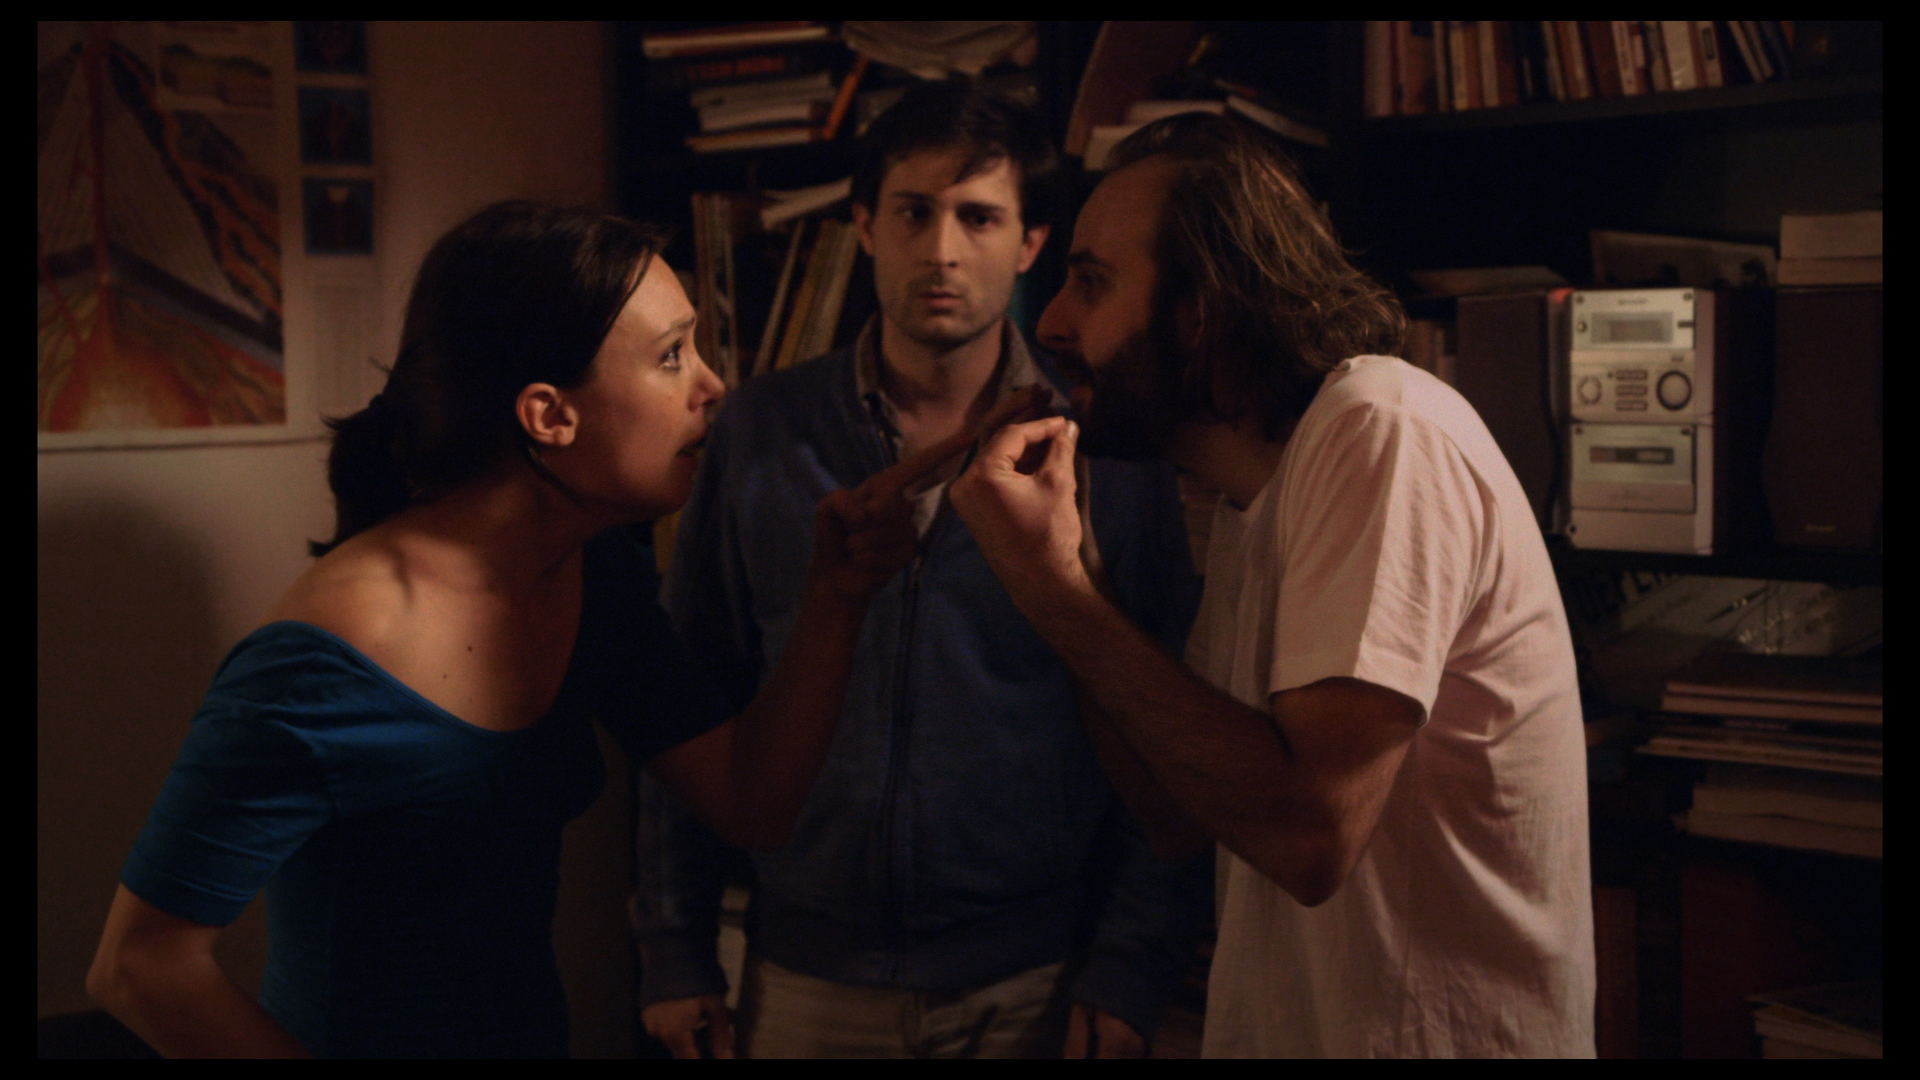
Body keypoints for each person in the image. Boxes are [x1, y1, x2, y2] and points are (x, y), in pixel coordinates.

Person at [86, 200, 986, 1058]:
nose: (713, 386)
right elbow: (140, 968)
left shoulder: (594, 575)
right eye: (672, 356)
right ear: (550, 414)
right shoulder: (328, 658)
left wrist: (838, 594)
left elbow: (754, 803)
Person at [948, 113, 1596, 1057]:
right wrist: (1071, 568)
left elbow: (1308, 836)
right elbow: (1177, 813)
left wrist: (1056, 593)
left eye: (1091, 282)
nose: (1048, 324)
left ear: (1203, 310)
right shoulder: (1253, 497)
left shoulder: (1380, 429)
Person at [637, 83, 1208, 1059]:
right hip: (804, 967)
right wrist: (672, 948)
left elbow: (1161, 705)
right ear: (865, 226)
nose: (942, 250)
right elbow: (692, 694)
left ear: (1030, 244)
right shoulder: (763, 430)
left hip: (1033, 974)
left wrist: (1131, 963)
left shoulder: (1098, 444)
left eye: (978, 218)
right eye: (913, 213)